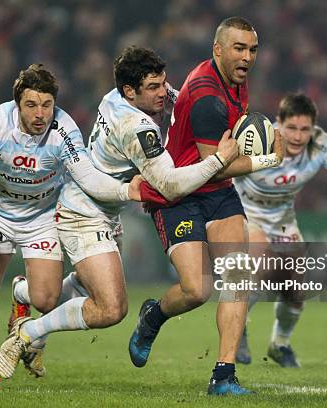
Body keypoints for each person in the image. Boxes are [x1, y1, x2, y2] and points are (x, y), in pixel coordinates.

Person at [0, 46, 240, 379]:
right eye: (152, 87)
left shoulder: (115, 96)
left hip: (104, 211)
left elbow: (177, 99)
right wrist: (219, 160)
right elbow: (169, 185)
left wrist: (198, 111)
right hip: (84, 213)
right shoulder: (135, 127)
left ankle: (24, 293)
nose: (161, 92)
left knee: (77, 292)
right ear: (130, 90)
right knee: (111, 308)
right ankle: (28, 335)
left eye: (161, 83)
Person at [0, 64, 141, 391]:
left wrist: (124, 190)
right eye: (31, 105)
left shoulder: (64, 128)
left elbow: (86, 176)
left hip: (43, 218)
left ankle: (22, 292)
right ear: (17, 104)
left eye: (46, 105)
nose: (40, 113)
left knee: (46, 301)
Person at [128, 17, 285, 396]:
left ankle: (223, 375)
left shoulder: (235, 81)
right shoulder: (208, 98)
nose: (247, 57)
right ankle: (154, 315)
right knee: (197, 288)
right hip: (180, 194)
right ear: (218, 50)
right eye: (239, 48)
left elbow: (223, 167)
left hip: (218, 193)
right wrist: (268, 159)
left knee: (237, 276)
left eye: (252, 49)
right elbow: (216, 165)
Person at [233, 92, 327, 367]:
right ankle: (238, 329)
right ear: (278, 124)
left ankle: (279, 344)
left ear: (313, 128)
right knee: (261, 262)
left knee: (297, 288)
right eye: (291, 128)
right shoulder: (257, 139)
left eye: (304, 129)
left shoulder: (320, 144)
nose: (297, 136)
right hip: (243, 211)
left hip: (282, 217)